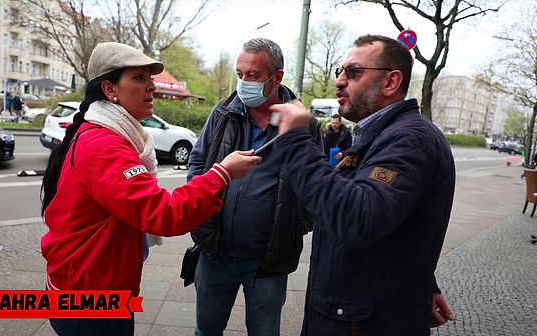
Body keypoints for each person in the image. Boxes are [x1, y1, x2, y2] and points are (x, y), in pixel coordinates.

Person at [40, 42, 261, 336]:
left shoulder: (99, 134)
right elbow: (164, 214)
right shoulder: (106, 146)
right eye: (139, 78)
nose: (151, 87)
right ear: (109, 89)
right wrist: (220, 174)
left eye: (150, 78)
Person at [269, 35, 456, 335]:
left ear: (391, 82)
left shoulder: (408, 140)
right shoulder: (383, 135)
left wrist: (295, 140)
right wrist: (421, 279)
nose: (340, 81)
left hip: (361, 322)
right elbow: (400, 221)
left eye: (353, 72)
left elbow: (357, 218)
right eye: (340, 72)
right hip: (352, 312)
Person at [187, 38, 323, 336]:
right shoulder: (223, 113)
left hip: (268, 264)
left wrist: (292, 227)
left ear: (277, 77)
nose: (244, 82)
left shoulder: (303, 124)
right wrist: (200, 213)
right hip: (215, 254)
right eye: (240, 74)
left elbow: (316, 187)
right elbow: (197, 165)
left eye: (253, 76)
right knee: (205, 330)